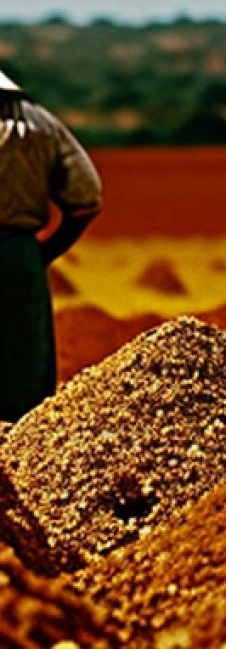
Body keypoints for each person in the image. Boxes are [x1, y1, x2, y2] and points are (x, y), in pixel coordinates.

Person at [0, 65, 102, 422]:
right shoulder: (43, 126)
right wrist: (46, 251)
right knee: (24, 366)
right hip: (18, 255)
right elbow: (87, 199)